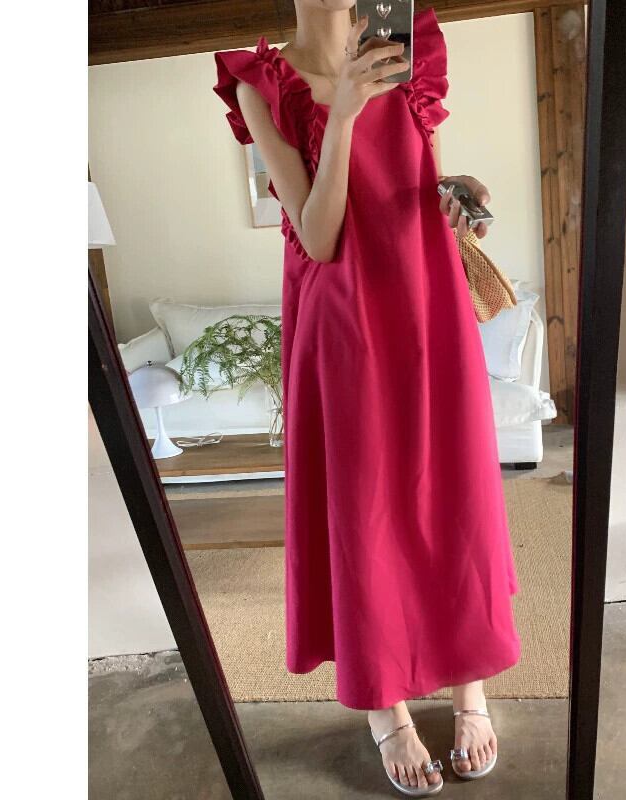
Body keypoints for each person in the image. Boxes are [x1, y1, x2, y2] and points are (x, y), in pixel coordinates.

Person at [214, 2, 520, 794]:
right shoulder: (262, 85)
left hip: (428, 301)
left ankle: (470, 689)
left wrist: (458, 192)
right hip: (343, 322)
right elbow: (317, 236)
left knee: (453, 493)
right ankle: (386, 706)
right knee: (366, 510)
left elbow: (418, 178)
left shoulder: (407, 50)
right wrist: (343, 112)